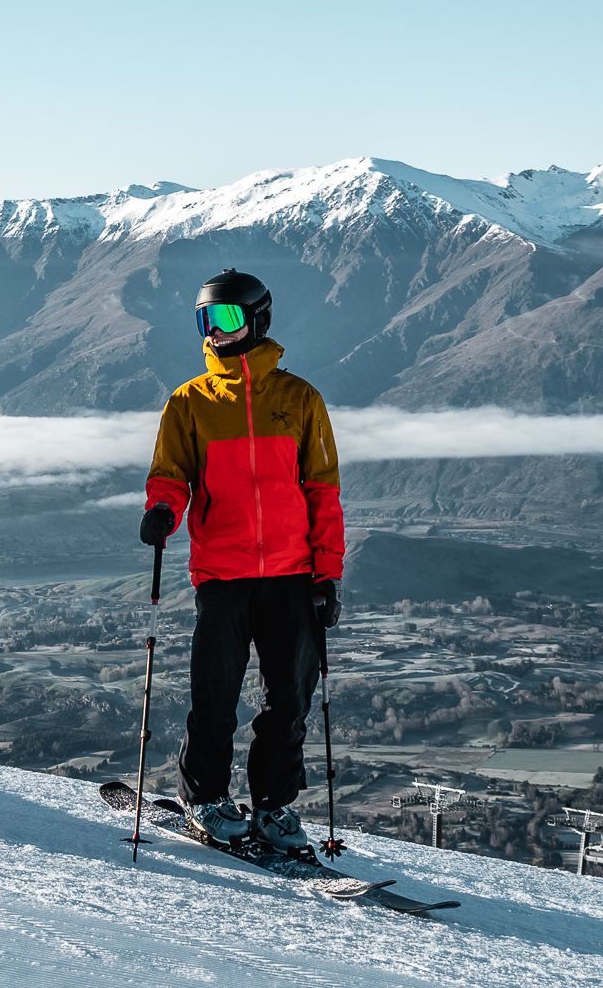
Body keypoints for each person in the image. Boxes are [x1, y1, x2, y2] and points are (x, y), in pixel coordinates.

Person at [140, 268, 344, 853]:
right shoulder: (189, 403)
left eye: (226, 318)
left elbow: (323, 491)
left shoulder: (299, 399)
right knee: (215, 695)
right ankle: (204, 797)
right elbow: (170, 475)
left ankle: (274, 806)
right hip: (222, 574)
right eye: (205, 319)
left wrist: (328, 573)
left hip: (291, 574)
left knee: (289, 701)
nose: (214, 332)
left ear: (257, 320)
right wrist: (162, 510)